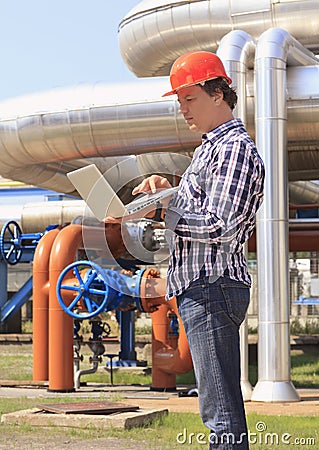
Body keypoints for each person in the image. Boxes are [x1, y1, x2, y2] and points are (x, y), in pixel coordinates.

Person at [132, 51, 265, 449]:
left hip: (213, 286)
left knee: (221, 414)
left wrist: (164, 210)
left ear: (218, 94)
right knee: (217, 408)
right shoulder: (208, 150)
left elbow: (220, 227)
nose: (183, 110)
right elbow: (197, 211)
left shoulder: (234, 150)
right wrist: (166, 190)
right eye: (179, 102)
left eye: (189, 99)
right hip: (202, 286)